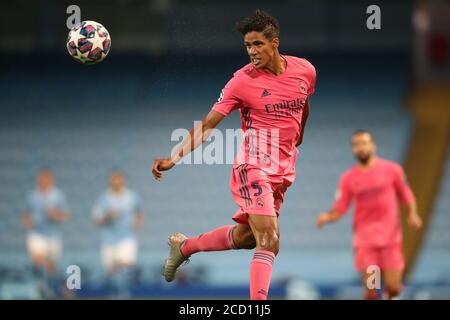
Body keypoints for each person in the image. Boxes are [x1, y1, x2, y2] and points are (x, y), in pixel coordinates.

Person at [152, 10, 316, 300]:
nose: (252, 52)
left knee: (246, 238)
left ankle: (185, 247)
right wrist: (174, 158)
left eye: (257, 44)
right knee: (270, 240)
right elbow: (207, 125)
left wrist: (299, 133)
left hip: (284, 168)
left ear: (274, 42)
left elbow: (304, 103)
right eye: (248, 46)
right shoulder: (241, 81)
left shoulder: (304, 70)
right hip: (253, 166)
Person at [316, 130, 423, 299]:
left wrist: (413, 214)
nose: (360, 148)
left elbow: (406, 195)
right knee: (372, 289)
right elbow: (340, 207)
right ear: (353, 150)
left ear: (373, 146)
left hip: (391, 240)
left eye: (364, 143)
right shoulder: (348, 178)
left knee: (394, 287)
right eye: (356, 145)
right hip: (367, 242)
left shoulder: (392, 170)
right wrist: (327, 217)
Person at [92, 170, 144, 298]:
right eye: (113, 178)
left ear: (123, 180)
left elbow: (139, 211)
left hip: (127, 237)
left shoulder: (132, 197)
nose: (116, 181)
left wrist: (137, 223)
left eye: (118, 178)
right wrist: (108, 216)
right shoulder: (103, 198)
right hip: (108, 239)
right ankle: (115, 294)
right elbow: (96, 220)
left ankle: (123, 294)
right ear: (110, 181)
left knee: (125, 265)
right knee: (111, 272)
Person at [23, 169, 70, 297]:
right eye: (41, 178)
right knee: (38, 260)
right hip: (36, 234)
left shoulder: (58, 195)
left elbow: (65, 215)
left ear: (51, 180)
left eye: (46, 178)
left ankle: (51, 287)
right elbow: (26, 214)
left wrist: (55, 214)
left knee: (51, 267)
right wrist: (27, 222)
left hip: (53, 236)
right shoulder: (32, 195)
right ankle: (40, 287)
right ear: (38, 179)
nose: (44, 181)